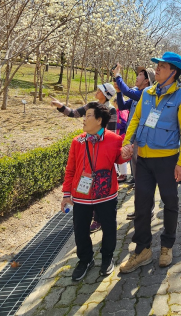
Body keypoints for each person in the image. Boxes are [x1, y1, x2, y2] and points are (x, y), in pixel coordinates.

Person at [118, 52, 181, 272]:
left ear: (174, 72)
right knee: (141, 206)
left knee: (170, 204)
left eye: (162, 66)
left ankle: (167, 246)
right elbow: (136, 119)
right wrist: (127, 142)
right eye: (157, 65)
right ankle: (143, 250)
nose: (157, 69)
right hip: (143, 160)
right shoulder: (147, 94)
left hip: (168, 160)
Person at [61, 102, 124, 280]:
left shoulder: (114, 139)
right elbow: (70, 169)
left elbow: (119, 160)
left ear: (98, 120)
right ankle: (85, 260)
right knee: (80, 229)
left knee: (109, 227)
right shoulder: (77, 142)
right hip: (81, 196)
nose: (84, 118)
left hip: (106, 194)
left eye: (88, 115)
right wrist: (66, 194)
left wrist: (127, 152)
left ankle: (107, 258)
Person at [52, 83, 118, 232]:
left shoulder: (111, 110)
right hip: (88, 148)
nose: (97, 91)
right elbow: (74, 113)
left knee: (101, 184)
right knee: (87, 181)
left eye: (100, 90)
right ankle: (90, 214)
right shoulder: (91, 105)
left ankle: (99, 218)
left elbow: (112, 133)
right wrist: (61, 106)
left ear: (106, 94)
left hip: (102, 152)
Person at [113, 65, 156, 213]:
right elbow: (122, 105)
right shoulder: (137, 94)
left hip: (143, 139)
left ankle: (147, 209)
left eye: (140, 75)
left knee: (143, 176)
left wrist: (118, 76)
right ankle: (141, 208)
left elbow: (127, 91)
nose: (137, 77)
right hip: (134, 139)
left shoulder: (145, 93)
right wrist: (119, 92)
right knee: (137, 176)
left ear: (147, 81)